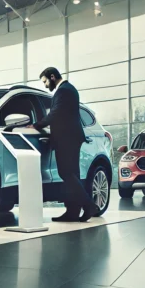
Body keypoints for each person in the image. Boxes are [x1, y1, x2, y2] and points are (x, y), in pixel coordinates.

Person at [28, 67, 98, 222]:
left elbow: (56, 113)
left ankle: (88, 205)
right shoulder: (69, 89)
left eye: (46, 81)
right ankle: (73, 212)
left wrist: (37, 125)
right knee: (72, 174)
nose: (45, 85)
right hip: (71, 137)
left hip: (66, 138)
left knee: (66, 173)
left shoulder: (64, 91)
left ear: (52, 77)